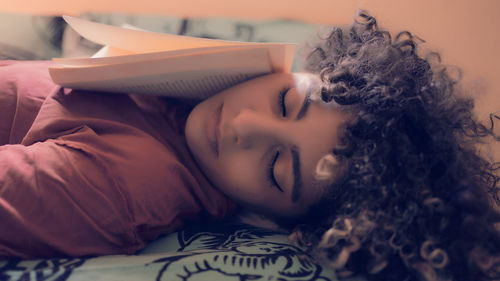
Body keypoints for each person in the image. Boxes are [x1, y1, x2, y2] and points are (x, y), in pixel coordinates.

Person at [0, 10, 499, 281]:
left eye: (277, 168)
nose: (244, 124)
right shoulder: (188, 88)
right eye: (285, 102)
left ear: (269, 220)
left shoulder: (121, 185)